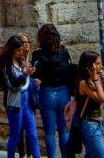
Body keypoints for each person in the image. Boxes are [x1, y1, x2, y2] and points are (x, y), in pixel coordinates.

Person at [0, 34, 41, 158]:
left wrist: (33, 82)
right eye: (18, 50)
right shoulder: (7, 65)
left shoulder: (22, 62)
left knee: (33, 135)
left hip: (27, 101)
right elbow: (13, 85)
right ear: (12, 50)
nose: (22, 52)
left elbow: (25, 83)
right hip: (15, 103)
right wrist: (26, 74)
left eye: (22, 49)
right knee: (15, 135)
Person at [32, 23, 73, 158]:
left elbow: (34, 73)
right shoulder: (63, 51)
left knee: (49, 133)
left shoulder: (38, 54)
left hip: (47, 92)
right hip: (63, 92)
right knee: (64, 131)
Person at [75, 51, 104, 158]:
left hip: (98, 124)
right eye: (98, 63)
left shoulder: (96, 81)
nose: (101, 66)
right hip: (90, 125)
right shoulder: (83, 83)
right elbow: (102, 99)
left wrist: (103, 83)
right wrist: (96, 79)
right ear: (90, 66)